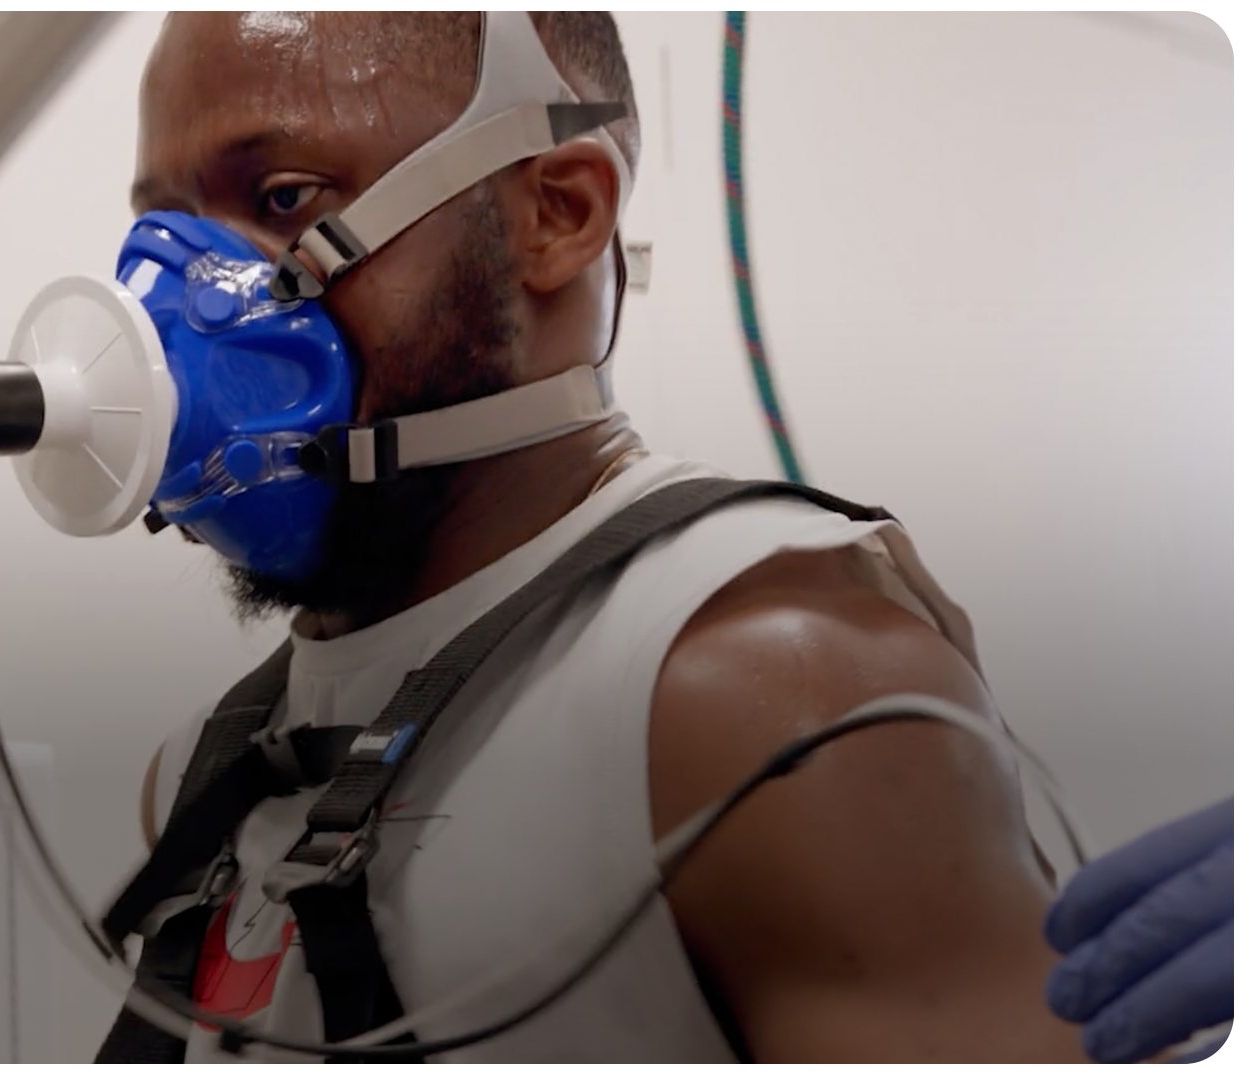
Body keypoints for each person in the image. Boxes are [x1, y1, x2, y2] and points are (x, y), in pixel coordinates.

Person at [110, 10, 1232, 1063]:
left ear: (560, 213)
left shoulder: (766, 694)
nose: (180, 302)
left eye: (284, 196)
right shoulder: (210, 775)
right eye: (163, 222)